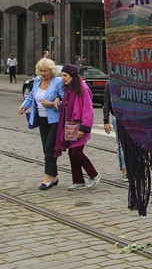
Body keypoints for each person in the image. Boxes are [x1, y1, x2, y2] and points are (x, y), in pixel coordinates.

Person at [17, 58, 65, 190]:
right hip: (42, 119)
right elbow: (32, 96)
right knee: (47, 149)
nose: (43, 74)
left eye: (46, 71)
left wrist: (52, 104)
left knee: (49, 148)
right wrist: (23, 106)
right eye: (41, 71)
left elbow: (64, 101)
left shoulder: (58, 82)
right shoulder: (38, 80)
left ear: (51, 71)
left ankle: (48, 177)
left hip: (55, 120)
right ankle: (54, 176)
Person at [54, 64, 101, 190]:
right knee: (72, 152)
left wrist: (84, 129)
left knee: (76, 152)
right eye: (62, 75)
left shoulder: (82, 88)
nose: (62, 78)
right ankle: (78, 180)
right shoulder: (70, 89)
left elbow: (87, 110)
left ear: (72, 76)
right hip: (71, 126)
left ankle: (94, 175)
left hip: (81, 126)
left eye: (65, 75)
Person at [103, 82, 128, 181]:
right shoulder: (110, 83)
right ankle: (125, 170)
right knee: (121, 144)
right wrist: (106, 120)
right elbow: (106, 101)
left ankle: (133, 168)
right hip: (117, 117)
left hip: (132, 117)